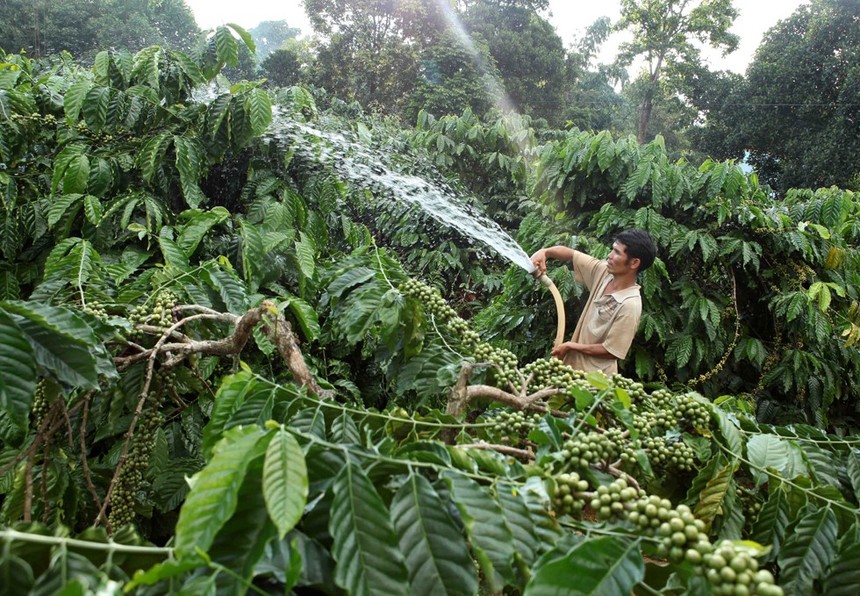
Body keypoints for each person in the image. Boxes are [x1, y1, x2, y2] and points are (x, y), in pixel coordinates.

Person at [530, 229, 657, 375]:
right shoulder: (604, 273)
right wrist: (545, 252)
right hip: (570, 372)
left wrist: (572, 347)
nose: (609, 256)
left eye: (617, 252)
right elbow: (572, 254)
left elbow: (612, 351)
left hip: (596, 382)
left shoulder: (630, 305)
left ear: (634, 263)